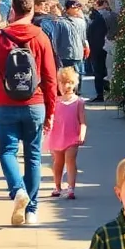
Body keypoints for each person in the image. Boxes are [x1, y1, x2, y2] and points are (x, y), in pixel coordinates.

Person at [0, 0, 59, 226]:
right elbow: (50, 78)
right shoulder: (41, 37)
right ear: (32, 12)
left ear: (13, 12)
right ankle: (32, 211)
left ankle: (18, 191)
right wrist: (50, 109)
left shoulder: (0, 39)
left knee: (7, 152)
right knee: (33, 157)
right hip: (35, 104)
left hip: (7, 104)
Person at [48, 66, 87, 199]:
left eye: (70, 82)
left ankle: (71, 188)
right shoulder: (55, 101)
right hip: (57, 136)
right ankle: (57, 186)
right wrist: (48, 124)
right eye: (63, 83)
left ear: (75, 83)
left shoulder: (79, 102)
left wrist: (82, 134)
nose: (67, 86)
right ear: (58, 84)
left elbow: (82, 121)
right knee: (58, 162)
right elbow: (51, 116)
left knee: (70, 160)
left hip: (72, 136)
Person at [57, 0, 90, 93]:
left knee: (73, 74)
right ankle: (73, 91)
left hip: (72, 53)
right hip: (68, 53)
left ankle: (72, 91)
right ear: (69, 9)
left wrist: (86, 47)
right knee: (73, 74)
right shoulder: (62, 21)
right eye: (75, 7)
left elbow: (84, 38)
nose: (78, 9)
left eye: (78, 7)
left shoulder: (80, 21)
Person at [87, 0, 110, 102]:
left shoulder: (96, 17)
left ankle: (101, 94)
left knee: (99, 72)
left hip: (97, 48)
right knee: (106, 71)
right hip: (105, 47)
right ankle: (106, 93)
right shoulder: (107, 15)